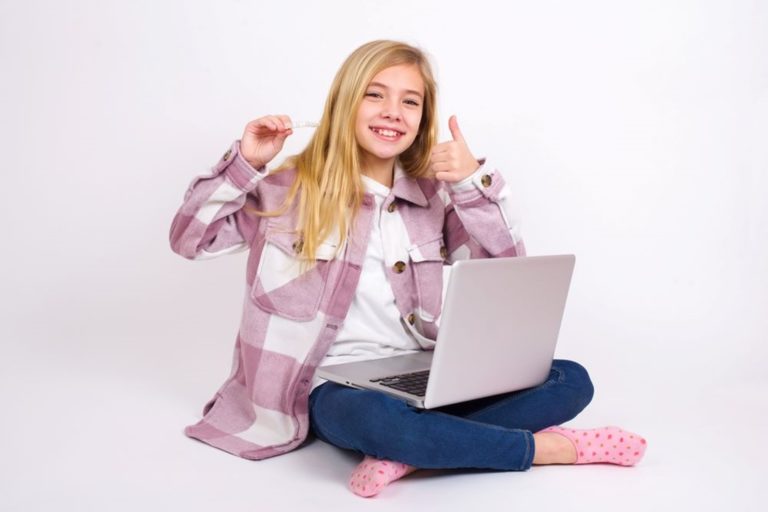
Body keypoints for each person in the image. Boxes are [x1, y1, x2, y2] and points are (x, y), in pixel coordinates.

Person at [169, 39, 646, 498]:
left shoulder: (433, 197)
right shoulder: (286, 189)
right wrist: (244, 165)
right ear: (344, 104)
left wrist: (469, 183)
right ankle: (543, 449)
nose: (393, 111)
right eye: (375, 94)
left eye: (410, 101)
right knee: (375, 421)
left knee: (570, 378)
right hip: (333, 386)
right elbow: (191, 240)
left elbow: (505, 267)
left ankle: (410, 453)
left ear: (423, 118)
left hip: (425, 373)